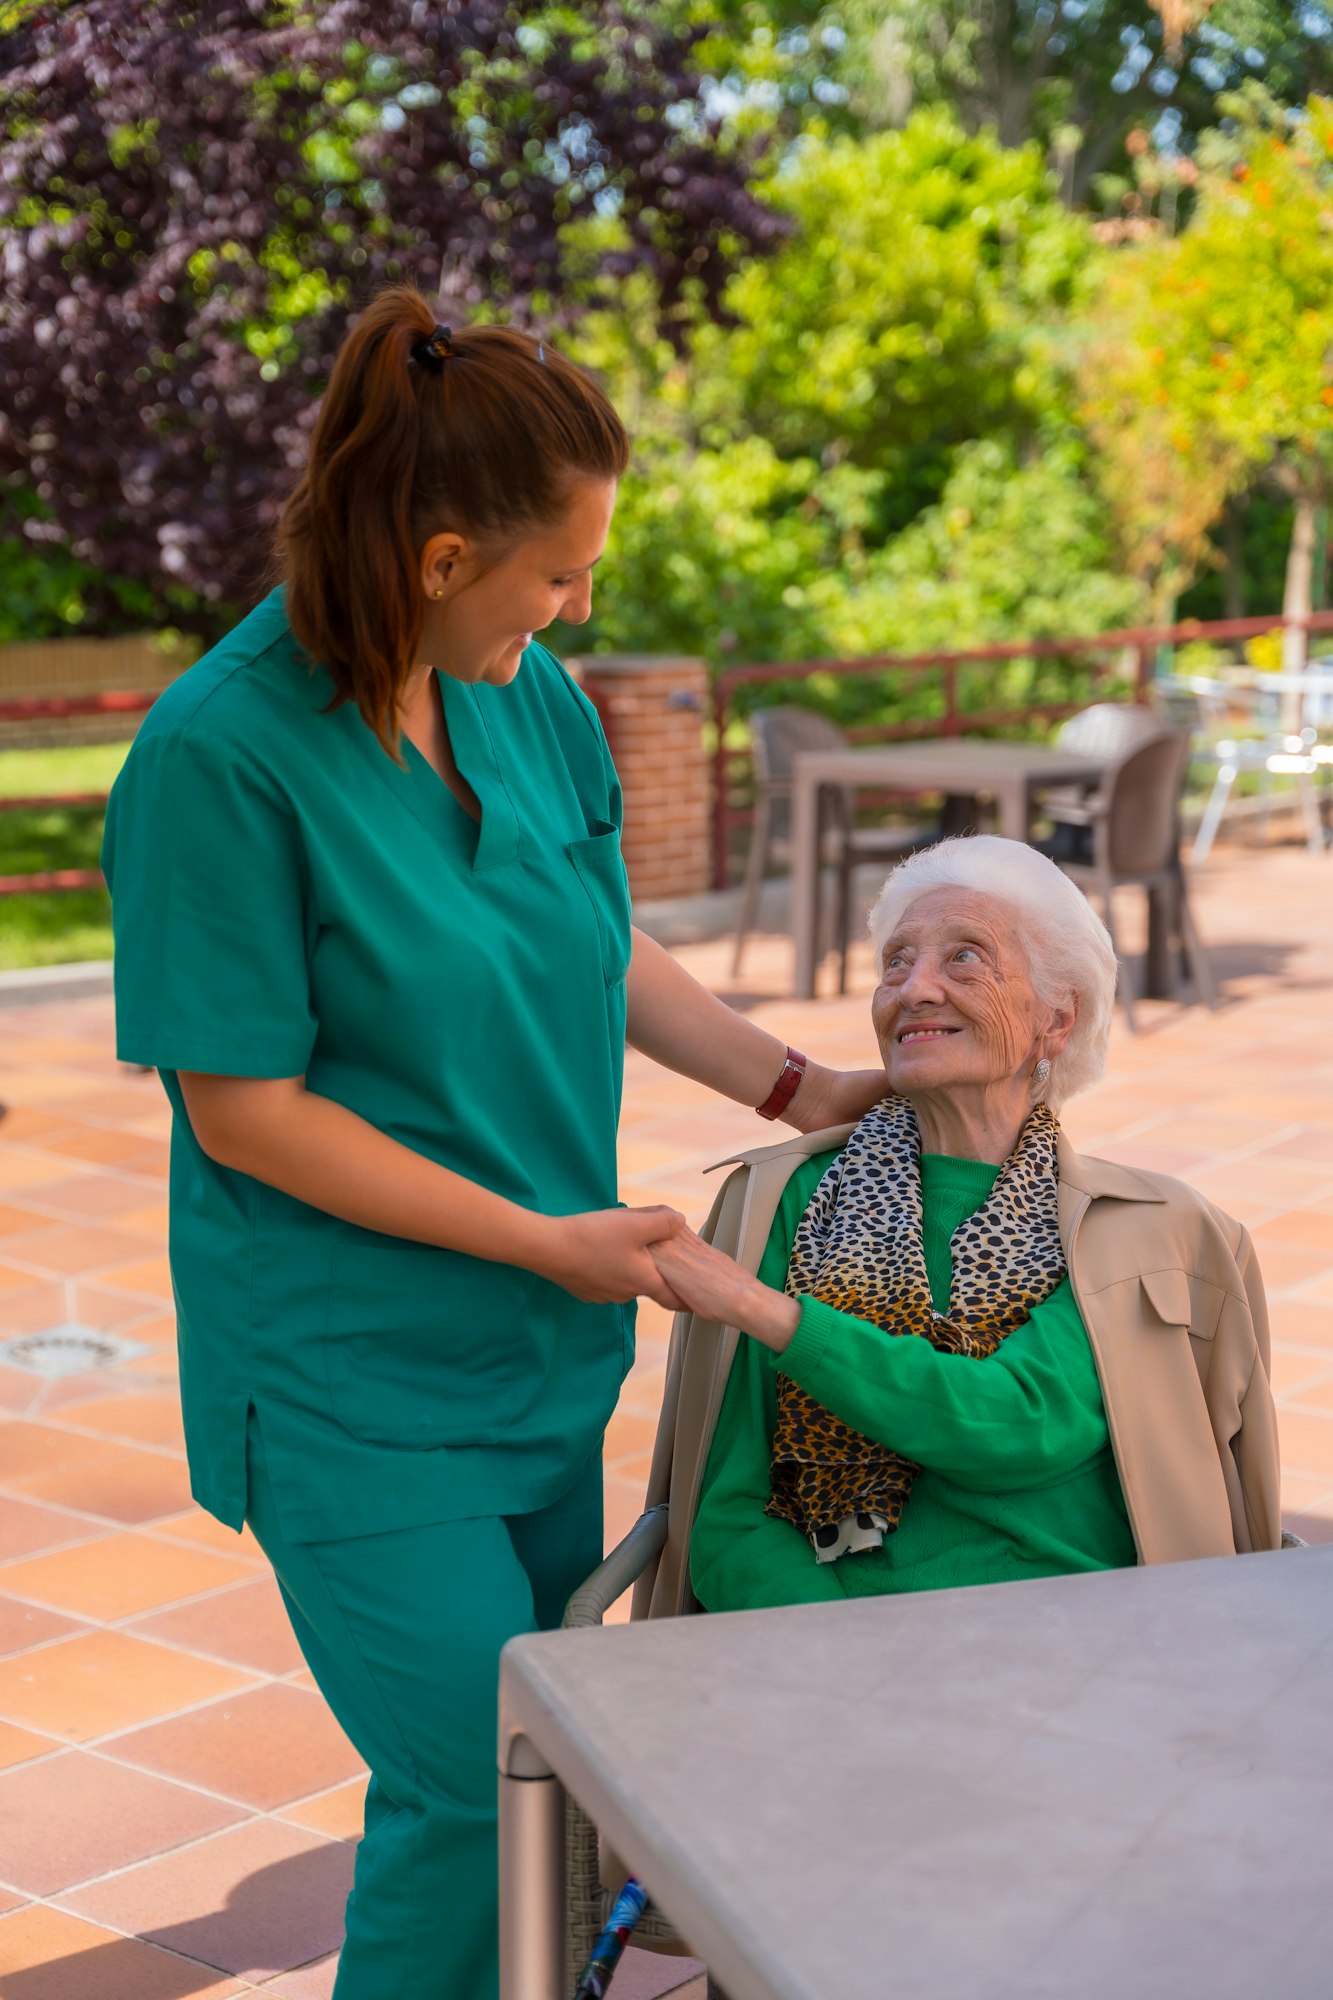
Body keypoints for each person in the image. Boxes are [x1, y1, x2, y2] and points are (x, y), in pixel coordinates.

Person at [101, 289, 886, 2000]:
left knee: (547, 1785)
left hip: (540, 1353)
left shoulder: (522, 693)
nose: (579, 605)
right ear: (443, 552)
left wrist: (791, 1086)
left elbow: (599, 946)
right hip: (345, 1380)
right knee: (472, 1792)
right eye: (558, 572)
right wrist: (546, 1239)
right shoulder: (219, 760)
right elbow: (243, 1111)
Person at [650, 836, 1281, 1613]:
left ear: (1057, 1018)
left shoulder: (1136, 1231)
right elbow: (729, 1518)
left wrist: (773, 1317)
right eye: (895, 961)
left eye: (964, 959)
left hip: (1080, 1642)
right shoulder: (786, 1198)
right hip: (831, 1661)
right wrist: (842, 1661)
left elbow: (1017, 1427)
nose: (912, 988)